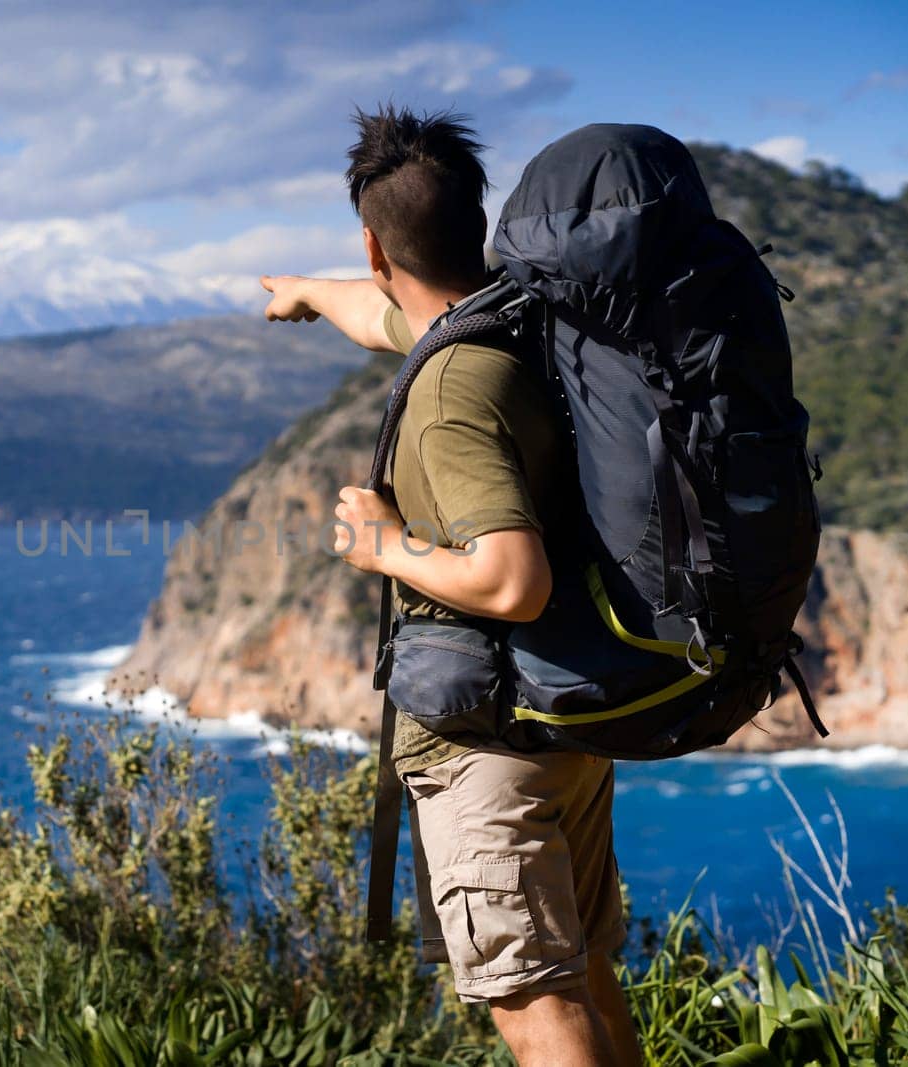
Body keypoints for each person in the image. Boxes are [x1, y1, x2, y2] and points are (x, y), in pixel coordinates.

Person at [259, 105, 642, 1067]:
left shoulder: (446, 398)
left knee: (535, 1006)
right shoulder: (513, 322)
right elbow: (383, 313)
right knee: (588, 974)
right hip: (566, 723)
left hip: (487, 753)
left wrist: (385, 547)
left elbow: (510, 578)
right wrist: (308, 290)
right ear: (476, 217)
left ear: (374, 240)